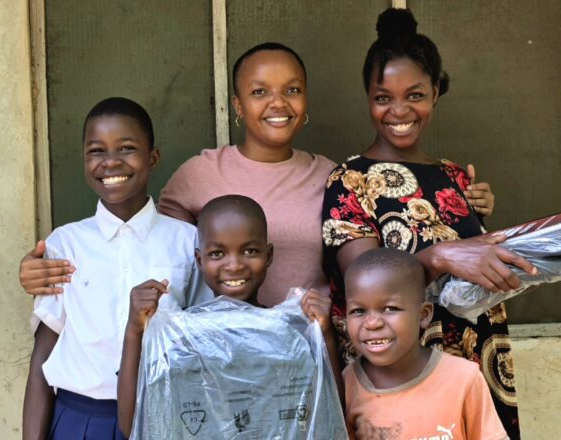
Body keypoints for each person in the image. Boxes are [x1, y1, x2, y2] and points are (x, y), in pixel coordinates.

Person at [321, 8, 536, 439]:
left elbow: (473, 264)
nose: (399, 110)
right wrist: (442, 254)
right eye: (383, 97)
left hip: (476, 361)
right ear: (367, 96)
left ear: (436, 92)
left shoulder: (456, 177)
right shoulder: (349, 180)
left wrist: (482, 223)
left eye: (414, 94)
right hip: (395, 378)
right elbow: (360, 279)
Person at [19, 42, 335, 308]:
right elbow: (150, 247)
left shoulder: (332, 177)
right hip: (217, 353)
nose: (277, 103)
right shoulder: (200, 173)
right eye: (259, 91)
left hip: (308, 350)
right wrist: (42, 269)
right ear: (238, 106)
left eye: (292, 89)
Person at [22, 97, 212, 440]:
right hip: (81, 420)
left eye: (126, 148)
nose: (110, 162)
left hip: (168, 417)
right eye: (96, 151)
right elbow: (42, 359)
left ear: (153, 158)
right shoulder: (65, 245)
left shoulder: (188, 242)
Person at [116, 195, 339, 437]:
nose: (234, 265)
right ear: (199, 260)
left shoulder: (290, 333)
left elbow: (327, 415)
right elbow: (134, 425)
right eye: (217, 254)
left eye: (250, 251)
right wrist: (134, 331)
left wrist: (324, 336)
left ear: (269, 256)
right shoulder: (180, 339)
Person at [343, 248, 509, 440]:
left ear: (423, 315)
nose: (372, 323)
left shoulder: (463, 378)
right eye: (358, 311)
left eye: (390, 308)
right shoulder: (347, 385)